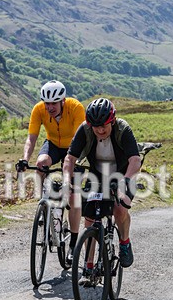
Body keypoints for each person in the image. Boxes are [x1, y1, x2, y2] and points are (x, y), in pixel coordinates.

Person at [63, 98, 141, 269]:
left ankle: (125, 242)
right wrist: (67, 181)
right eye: (95, 126)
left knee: (120, 208)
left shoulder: (123, 129)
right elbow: (70, 158)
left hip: (123, 174)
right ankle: (89, 266)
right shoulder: (85, 129)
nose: (100, 130)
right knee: (90, 217)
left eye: (104, 125)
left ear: (112, 120)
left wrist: (126, 182)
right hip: (97, 176)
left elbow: (135, 160)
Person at [16, 80, 86, 257]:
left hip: (74, 147)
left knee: (73, 196)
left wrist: (69, 167)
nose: (50, 107)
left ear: (63, 101)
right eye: (47, 103)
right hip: (53, 144)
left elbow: (82, 139)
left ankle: (73, 245)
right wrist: (25, 159)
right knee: (41, 164)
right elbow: (31, 138)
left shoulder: (76, 108)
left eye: (54, 103)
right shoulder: (38, 110)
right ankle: (44, 204)